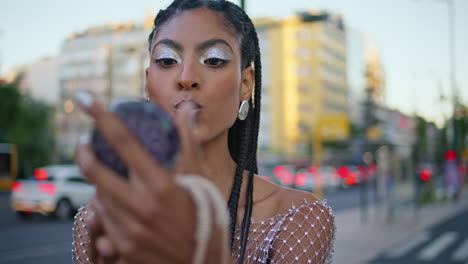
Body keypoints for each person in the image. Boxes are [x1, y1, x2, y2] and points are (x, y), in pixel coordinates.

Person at [72, 0, 335, 263]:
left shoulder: (297, 216)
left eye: (213, 60)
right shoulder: (99, 220)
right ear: (148, 82)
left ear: (245, 84)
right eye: (166, 60)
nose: (186, 77)